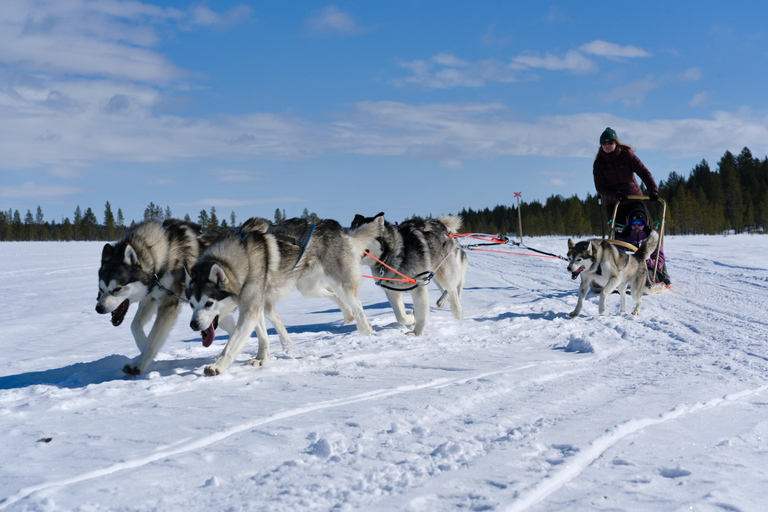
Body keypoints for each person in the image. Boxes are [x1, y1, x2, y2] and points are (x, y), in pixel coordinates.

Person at [593, 127, 659, 229]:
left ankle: (644, 243)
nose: (607, 145)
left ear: (616, 143)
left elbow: (644, 173)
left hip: (634, 199)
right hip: (614, 203)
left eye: (610, 142)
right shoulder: (599, 163)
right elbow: (600, 187)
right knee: (620, 232)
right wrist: (616, 195)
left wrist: (653, 190)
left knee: (639, 226)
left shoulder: (627, 156)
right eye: (604, 143)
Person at [616, 207, 671, 286]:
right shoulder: (623, 239)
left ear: (644, 224)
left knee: (643, 271)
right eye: (634, 223)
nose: (636, 225)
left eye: (640, 223)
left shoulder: (652, 239)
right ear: (630, 224)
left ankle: (642, 282)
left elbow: (660, 260)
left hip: (646, 269)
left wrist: (647, 262)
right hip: (625, 268)